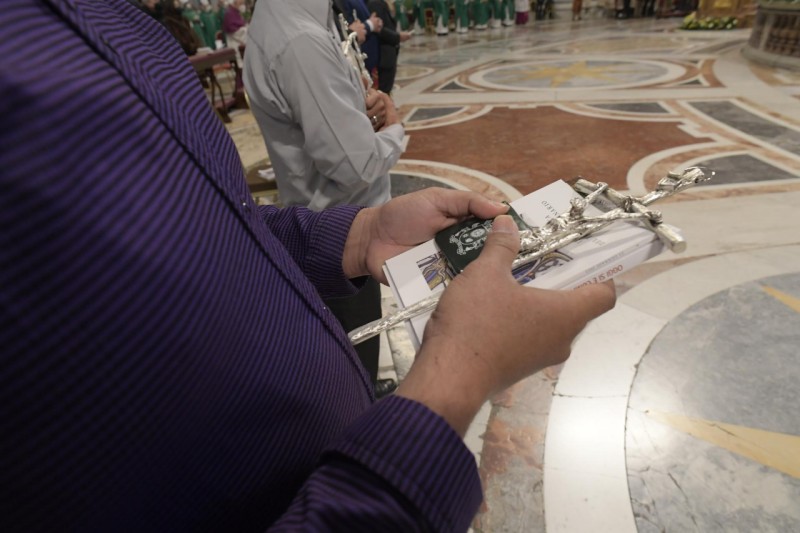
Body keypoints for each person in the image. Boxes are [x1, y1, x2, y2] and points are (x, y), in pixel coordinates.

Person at [1, 0, 617, 530]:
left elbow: (211, 221)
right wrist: (458, 377)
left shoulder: (112, 21)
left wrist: (352, 235)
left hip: (315, 410)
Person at [244, 0, 404, 396]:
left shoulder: (304, 16)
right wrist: (394, 129)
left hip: (336, 221)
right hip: (338, 228)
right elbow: (355, 166)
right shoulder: (300, 39)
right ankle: (363, 403)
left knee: (356, 350)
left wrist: (361, 108)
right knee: (352, 359)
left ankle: (365, 389)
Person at [367, 0, 413, 94]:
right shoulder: (375, 3)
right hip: (383, 54)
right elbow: (379, 30)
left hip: (388, 53)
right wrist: (398, 37)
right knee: (383, 90)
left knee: (386, 89)